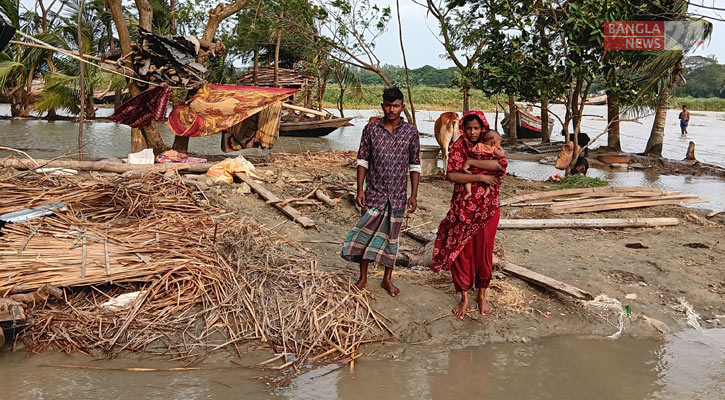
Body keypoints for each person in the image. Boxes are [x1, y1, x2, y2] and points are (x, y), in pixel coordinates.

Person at [340, 87, 421, 297]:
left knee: (392, 239)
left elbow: (414, 165)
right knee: (365, 233)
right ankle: (363, 277)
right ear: (382, 105)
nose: (391, 109)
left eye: (395, 105)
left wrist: (413, 195)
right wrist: (360, 189)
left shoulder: (410, 132)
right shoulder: (371, 129)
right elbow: (362, 161)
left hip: (397, 196)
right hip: (374, 192)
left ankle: (387, 279)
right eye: (387, 105)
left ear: (402, 107)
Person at [432, 110, 507, 318]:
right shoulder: (458, 147)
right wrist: (482, 177)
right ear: (462, 128)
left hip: (488, 208)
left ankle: (482, 294)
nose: (472, 132)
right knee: (462, 251)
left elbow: (501, 165)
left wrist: (472, 165)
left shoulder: (491, 144)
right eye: (468, 128)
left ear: (483, 128)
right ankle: (464, 297)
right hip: (463, 208)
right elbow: (451, 174)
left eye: (476, 128)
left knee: (484, 251)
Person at [463, 129, 505, 200]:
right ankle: (486, 193)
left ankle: (469, 192)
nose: (499, 145)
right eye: (499, 143)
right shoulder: (493, 149)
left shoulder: (479, 145)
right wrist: (500, 149)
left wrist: (478, 152)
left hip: (475, 169)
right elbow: (501, 155)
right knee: (490, 181)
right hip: (486, 170)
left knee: (468, 180)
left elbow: (472, 151)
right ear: (493, 143)